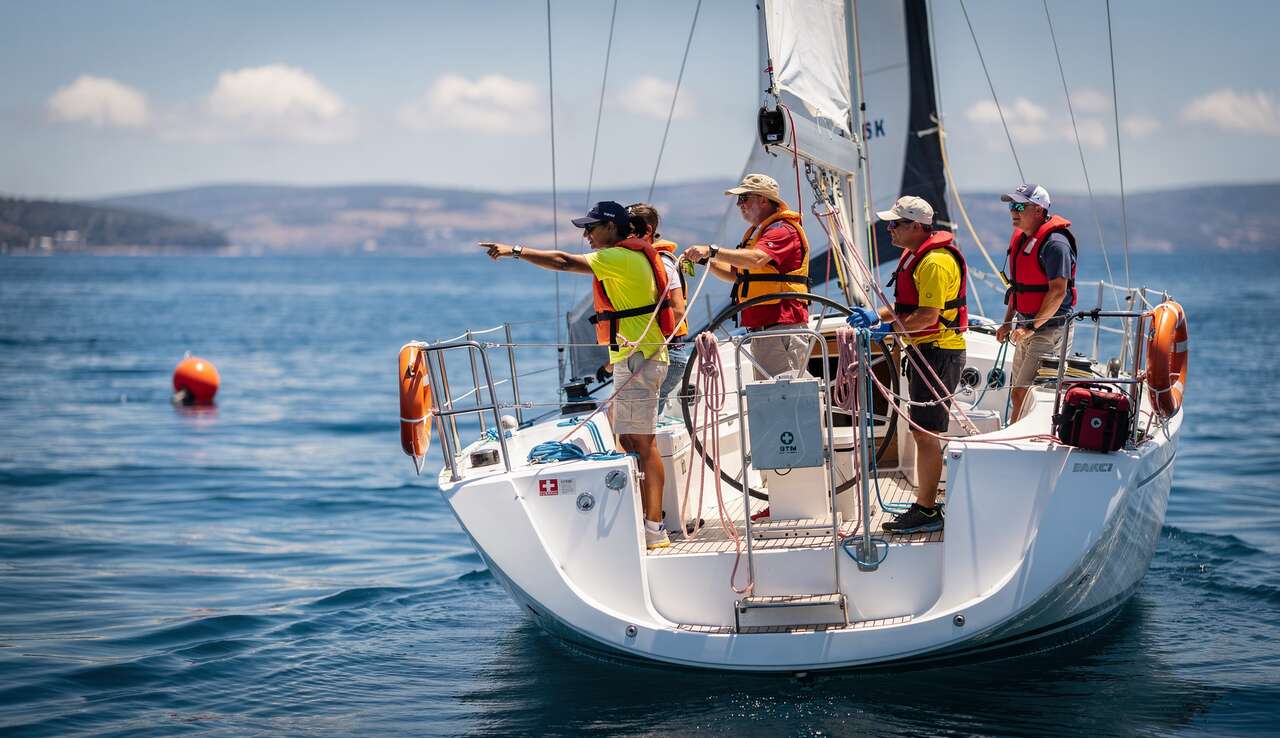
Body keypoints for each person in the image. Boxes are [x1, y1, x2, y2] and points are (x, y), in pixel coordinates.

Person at [481, 200, 675, 549]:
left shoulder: (619, 257)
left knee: (643, 444)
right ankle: (645, 519)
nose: (585, 234)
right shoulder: (628, 256)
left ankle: (654, 528)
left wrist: (516, 251)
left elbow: (562, 261)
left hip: (641, 360)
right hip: (633, 359)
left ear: (613, 228)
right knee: (631, 441)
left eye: (592, 227)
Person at [846, 196, 967, 534]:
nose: (889, 229)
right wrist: (876, 314)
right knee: (920, 431)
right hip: (923, 351)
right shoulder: (916, 257)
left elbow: (928, 316)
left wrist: (886, 330)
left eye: (896, 224)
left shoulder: (935, 263)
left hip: (938, 352)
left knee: (926, 434)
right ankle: (924, 503)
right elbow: (905, 307)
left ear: (917, 226)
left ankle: (926, 511)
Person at [683, 173, 811, 379]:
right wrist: (706, 261)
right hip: (764, 328)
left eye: (744, 198)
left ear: (763, 199)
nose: (739, 204)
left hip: (780, 326)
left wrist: (712, 251)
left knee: (785, 396)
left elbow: (757, 259)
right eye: (738, 199)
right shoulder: (757, 233)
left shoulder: (782, 231)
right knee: (772, 396)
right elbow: (736, 275)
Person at [995, 183, 1078, 422]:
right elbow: (1017, 289)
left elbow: (1057, 293)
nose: (1014, 210)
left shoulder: (1055, 244)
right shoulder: (1023, 239)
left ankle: (1017, 441)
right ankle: (1015, 435)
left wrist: (1031, 328)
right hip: (1026, 326)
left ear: (1039, 211)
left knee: (1025, 392)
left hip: (1049, 330)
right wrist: (1007, 323)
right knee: (1016, 393)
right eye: (1012, 205)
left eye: (1020, 205)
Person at [628, 202, 691, 417]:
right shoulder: (644, 261)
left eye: (628, 230)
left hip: (667, 353)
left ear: (647, 231)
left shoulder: (662, 262)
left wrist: (651, 345)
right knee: (639, 422)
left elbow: (677, 310)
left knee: (642, 424)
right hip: (657, 352)